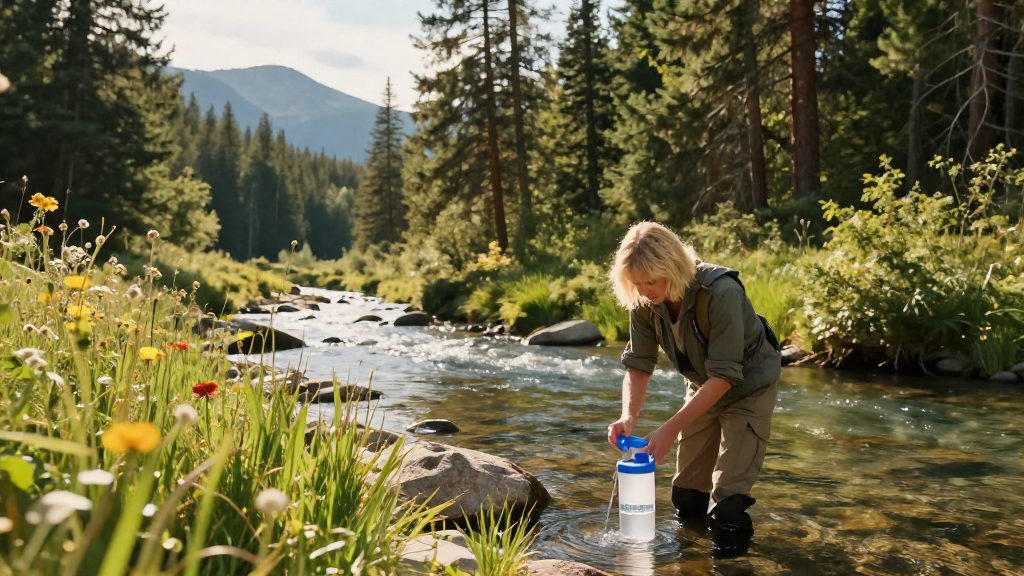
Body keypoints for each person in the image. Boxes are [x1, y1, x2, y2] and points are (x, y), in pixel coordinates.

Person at [605, 221, 781, 559]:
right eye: (637, 283)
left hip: (748, 389)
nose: (645, 290)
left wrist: (670, 428)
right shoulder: (643, 302)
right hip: (703, 385)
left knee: (727, 506)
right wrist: (628, 416)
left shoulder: (722, 292)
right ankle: (693, 561)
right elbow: (639, 366)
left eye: (652, 281)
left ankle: (732, 565)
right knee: (686, 496)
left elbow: (726, 377)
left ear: (672, 265)